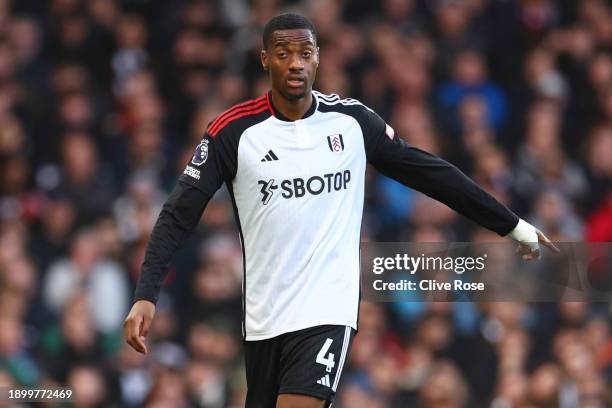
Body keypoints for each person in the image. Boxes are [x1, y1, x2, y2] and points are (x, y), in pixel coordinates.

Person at [124, 13, 559, 408]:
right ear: (264, 60)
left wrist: (512, 225)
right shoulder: (233, 132)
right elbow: (178, 213)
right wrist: (146, 293)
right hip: (263, 317)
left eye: (305, 53)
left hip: (327, 309)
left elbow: (430, 173)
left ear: (317, 60)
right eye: (283, 54)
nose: (295, 63)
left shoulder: (350, 122)